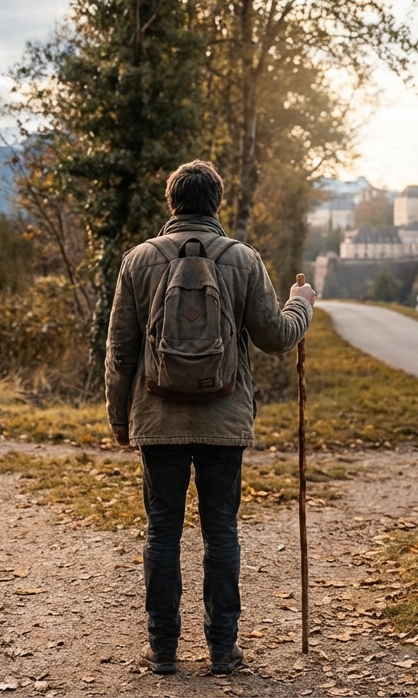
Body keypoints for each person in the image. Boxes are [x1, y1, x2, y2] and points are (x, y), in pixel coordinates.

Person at [105, 160, 315, 676]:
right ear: (216, 203)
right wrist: (301, 304)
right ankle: (223, 651)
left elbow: (119, 351)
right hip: (224, 420)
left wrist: (119, 421)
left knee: (162, 533)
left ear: (172, 203)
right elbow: (275, 337)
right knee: (221, 532)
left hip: (157, 418)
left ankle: (162, 651)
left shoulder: (137, 261)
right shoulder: (242, 260)